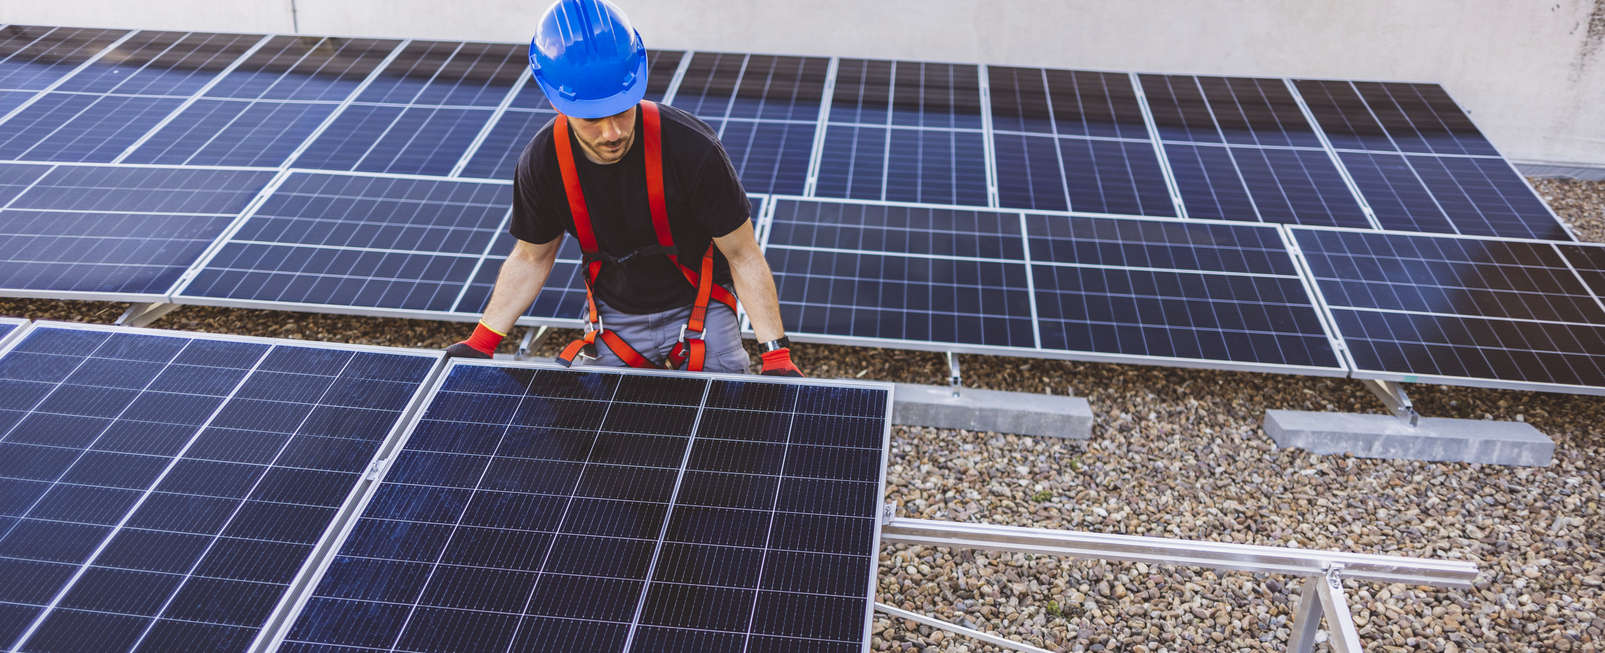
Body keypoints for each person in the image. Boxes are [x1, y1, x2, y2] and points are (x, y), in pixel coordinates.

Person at [445, 0, 801, 377]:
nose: (612, 132)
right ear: (556, 101)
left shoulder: (692, 148)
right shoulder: (544, 162)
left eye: (622, 108)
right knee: (608, 429)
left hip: (701, 303)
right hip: (614, 319)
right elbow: (532, 258)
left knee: (722, 415)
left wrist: (775, 355)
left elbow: (743, 254)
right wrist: (482, 342)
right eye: (592, 118)